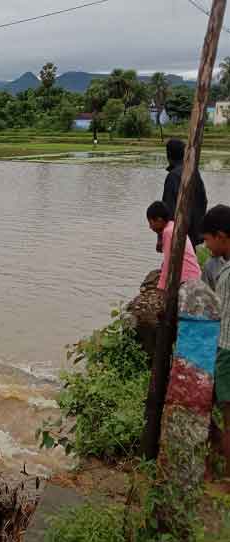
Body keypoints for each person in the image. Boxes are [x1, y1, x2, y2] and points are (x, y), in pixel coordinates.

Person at [201, 204, 230, 466]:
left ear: (221, 236)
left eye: (208, 240)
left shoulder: (225, 275)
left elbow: (216, 316)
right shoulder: (221, 269)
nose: (207, 247)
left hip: (226, 350)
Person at [160, 138, 208, 250]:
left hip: (179, 234)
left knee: (177, 263)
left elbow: (168, 210)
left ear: (169, 156)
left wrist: (162, 236)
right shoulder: (194, 171)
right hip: (195, 232)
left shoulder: (172, 176)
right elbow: (203, 201)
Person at [147, 201, 202, 291]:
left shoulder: (168, 232)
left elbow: (169, 261)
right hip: (194, 275)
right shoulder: (174, 226)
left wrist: (161, 287)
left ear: (159, 220)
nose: (150, 226)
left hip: (186, 279)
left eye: (151, 222)